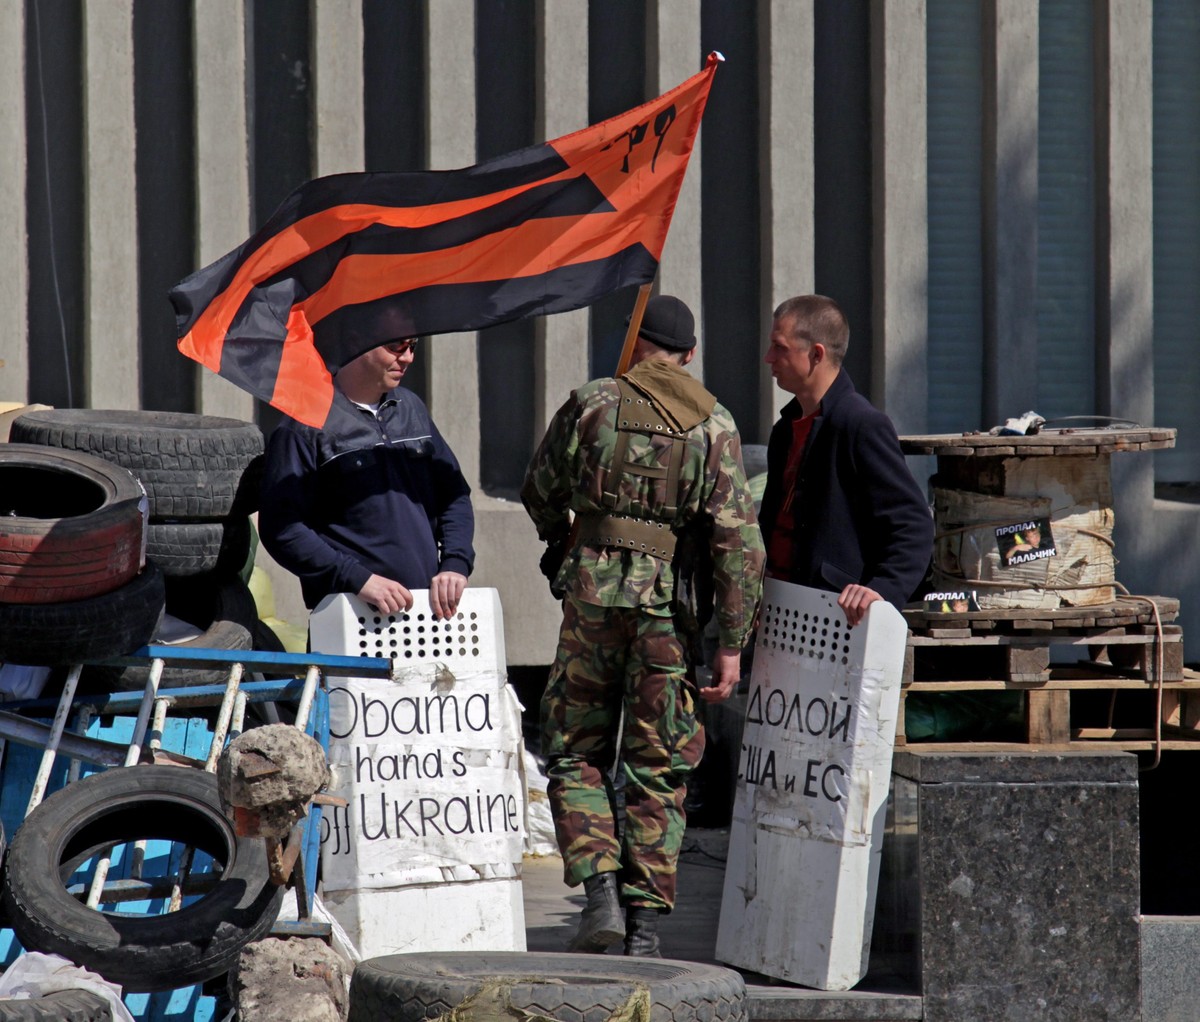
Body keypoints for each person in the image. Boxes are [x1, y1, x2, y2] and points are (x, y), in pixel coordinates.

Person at [522, 294, 765, 957]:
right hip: (666, 616)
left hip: (591, 606)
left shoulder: (592, 401)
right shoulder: (714, 424)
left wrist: (561, 542)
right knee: (658, 767)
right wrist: (733, 645)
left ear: (638, 348)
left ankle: (598, 893)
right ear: (688, 356)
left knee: (576, 751)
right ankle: (646, 931)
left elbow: (539, 487)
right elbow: (738, 547)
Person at [259, 338, 474, 621]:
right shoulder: (305, 422)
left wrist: (455, 563)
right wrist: (357, 579)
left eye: (413, 346)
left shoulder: (411, 407)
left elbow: (454, 494)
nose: (408, 357)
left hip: (427, 617)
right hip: (350, 619)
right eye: (397, 346)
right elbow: (281, 527)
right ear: (358, 342)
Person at [759, 295, 932, 625]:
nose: (769, 358)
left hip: (834, 623)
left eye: (779, 347)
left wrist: (882, 590)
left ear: (816, 354)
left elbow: (914, 525)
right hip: (780, 617)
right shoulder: (784, 430)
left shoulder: (861, 424)